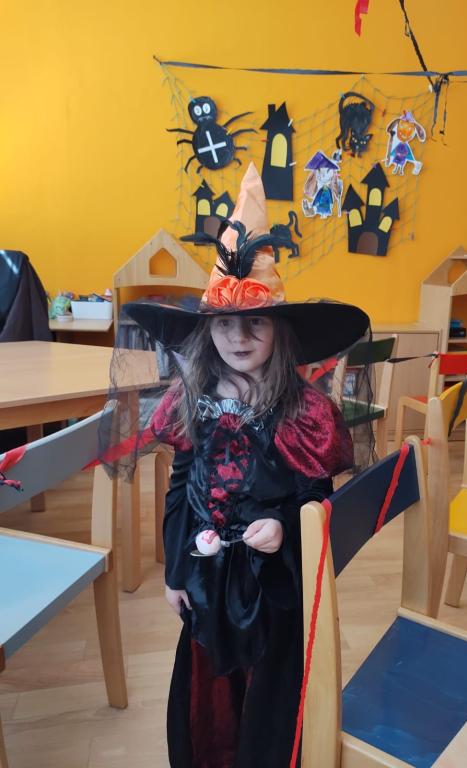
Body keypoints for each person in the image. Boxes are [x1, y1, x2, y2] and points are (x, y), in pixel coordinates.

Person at [104, 164, 370, 767]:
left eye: (255, 322)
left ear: (279, 332)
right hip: (207, 580)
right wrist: (176, 570)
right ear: (208, 331)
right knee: (209, 696)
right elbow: (180, 489)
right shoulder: (191, 401)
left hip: (274, 586)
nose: (239, 335)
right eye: (225, 323)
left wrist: (286, 526)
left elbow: (319, 498)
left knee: (269, 697)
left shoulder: (304, 411)